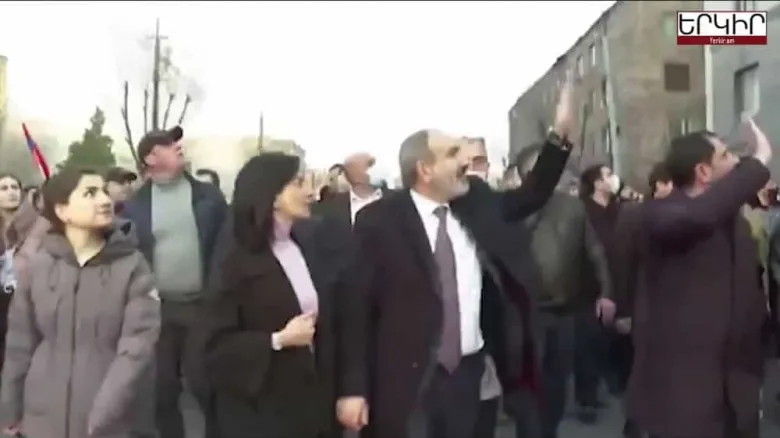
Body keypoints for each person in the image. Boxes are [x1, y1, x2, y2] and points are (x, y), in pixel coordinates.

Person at [343, 77, 574, 438]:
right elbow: (356, 309)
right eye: (453, 154)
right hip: (408, 383)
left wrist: (559, 137)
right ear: (425, 169)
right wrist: (353, 390)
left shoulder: (476, 202)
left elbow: (531, 195)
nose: (466, 160)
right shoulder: (379, 221)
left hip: (469, 375)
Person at [629, 122, 771, 438]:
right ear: (703, 172)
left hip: (736, 387)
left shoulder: (735, 223)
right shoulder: (661, 215)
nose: (736, 161)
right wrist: (758, 162)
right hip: (684, 390)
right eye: (726, 155)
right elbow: (699, 217)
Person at [201, 153, 358, 438]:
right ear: (272, 195)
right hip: (262, 414)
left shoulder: (307, 245)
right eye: (299, 183)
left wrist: (349, 390)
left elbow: (338, 321)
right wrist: (277, 340)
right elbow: (214, 347)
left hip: (314, 407)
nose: (311, 192)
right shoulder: (235, 259)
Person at [0, 168, 160, 438]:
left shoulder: (133, 266)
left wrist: (106, 411)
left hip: (109, 422)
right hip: (42, 418)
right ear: (62, 211)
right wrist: (9, 411)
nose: (105, 200)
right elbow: (19, 344)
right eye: (90, 193)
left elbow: (138, 348)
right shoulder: (39, 266)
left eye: (104, 192)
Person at [122, 126, 228, 438]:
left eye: (177, 142)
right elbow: (130, 255)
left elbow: (226, 246)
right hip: (158, 310)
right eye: (168, 144)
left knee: (205, 384)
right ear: (150, 158)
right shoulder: (136, 205)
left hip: (202, 307)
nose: (178, 146)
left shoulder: (208, 196)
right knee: (162, 389)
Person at [508, 144, 614, 438]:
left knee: (556, 384)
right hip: (526, 315)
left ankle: (549, 431)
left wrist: (606, 292)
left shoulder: (573, 207)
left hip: (565, 312)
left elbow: (595, 252)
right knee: (529, 387)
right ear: (525, 174)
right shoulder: (511, 207)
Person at [610, 161, 673, 438]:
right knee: (643, 368)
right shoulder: (634, 216)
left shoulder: (685, 215)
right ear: (659, 185)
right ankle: (636, 423)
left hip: (676, 309)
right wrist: (623, 310)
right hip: (643, 306)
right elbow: (621, 265)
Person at [314, 153, 385, 228]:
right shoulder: (329, 208)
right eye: (370, 165)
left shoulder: (392, 200)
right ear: (353, 172)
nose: (376, 169)